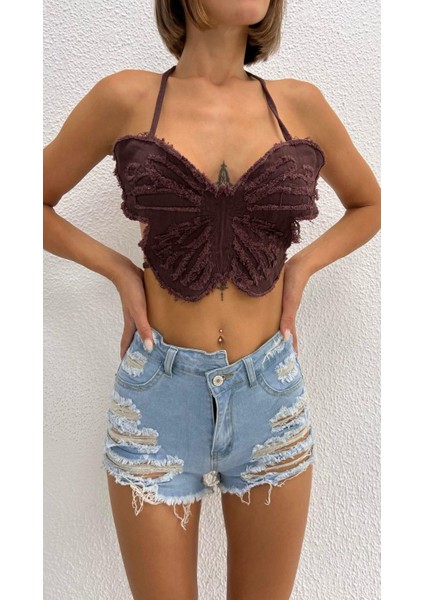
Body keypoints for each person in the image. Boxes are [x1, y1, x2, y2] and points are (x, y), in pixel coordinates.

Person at [43, 0, 380, 598]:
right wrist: (120, 272)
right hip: (157, 400)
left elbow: (369, 204)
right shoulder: (127, 98)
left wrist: (300, 269)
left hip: (269, 395)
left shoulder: (299, 105)